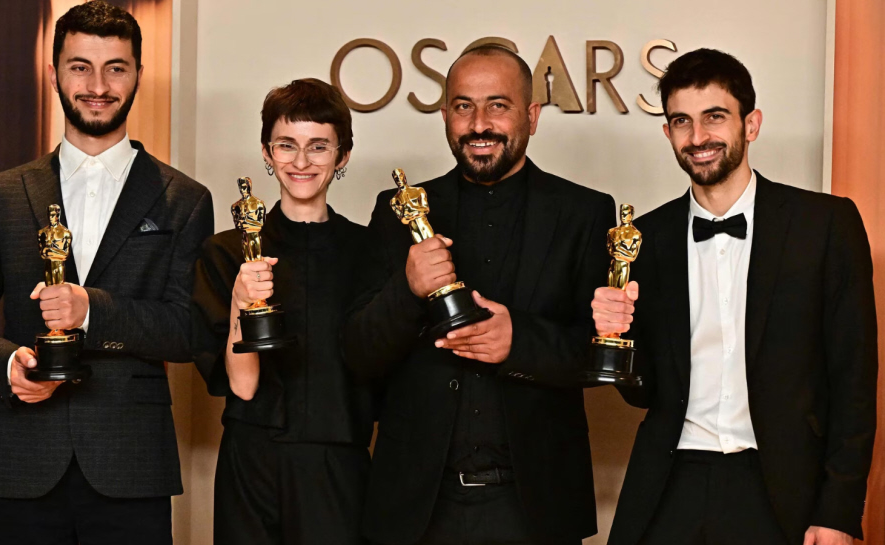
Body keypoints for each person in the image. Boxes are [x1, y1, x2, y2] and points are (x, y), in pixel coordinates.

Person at [0, 2, 214, 543]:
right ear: (54, 75)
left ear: (138, 75)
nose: (98, 86)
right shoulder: (5, 192)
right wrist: (9, 364)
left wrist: (92, 310)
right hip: (21, 462)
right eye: (80, 67)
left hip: (131, 467)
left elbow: (189, 331)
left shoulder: (184, 199)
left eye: (116, 68)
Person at [592, 49, 878, 545]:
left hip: (781, 487)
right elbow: (644, 392)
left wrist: (839, 511)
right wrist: (617, 336)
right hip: (669, 484)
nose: (697, 137)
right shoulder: (644, 239)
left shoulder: (825, 225)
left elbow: (854, 379)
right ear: (667, 133)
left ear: (752, 124)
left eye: (715, 117)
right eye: (681, 121)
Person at [343, 45, 615, 545]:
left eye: (498, 105)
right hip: (416, 511)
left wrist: (520, 342)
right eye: (464, 106)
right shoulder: (398, 210)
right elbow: (359, 354)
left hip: (536, 509)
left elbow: (602, 353)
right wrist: (408, 289)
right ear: (445, 116)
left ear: (531, 116)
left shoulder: (585, 213)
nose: (479, 124)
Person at [192, 78, 375, 545]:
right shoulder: (225, 251)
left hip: (338, 459)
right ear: (267, 153)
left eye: (319, 146)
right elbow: (243, 385)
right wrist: (241, 301)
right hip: (251, 461)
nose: (301, 161)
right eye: (286, 145)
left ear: (343, 156)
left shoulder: (370, 251)